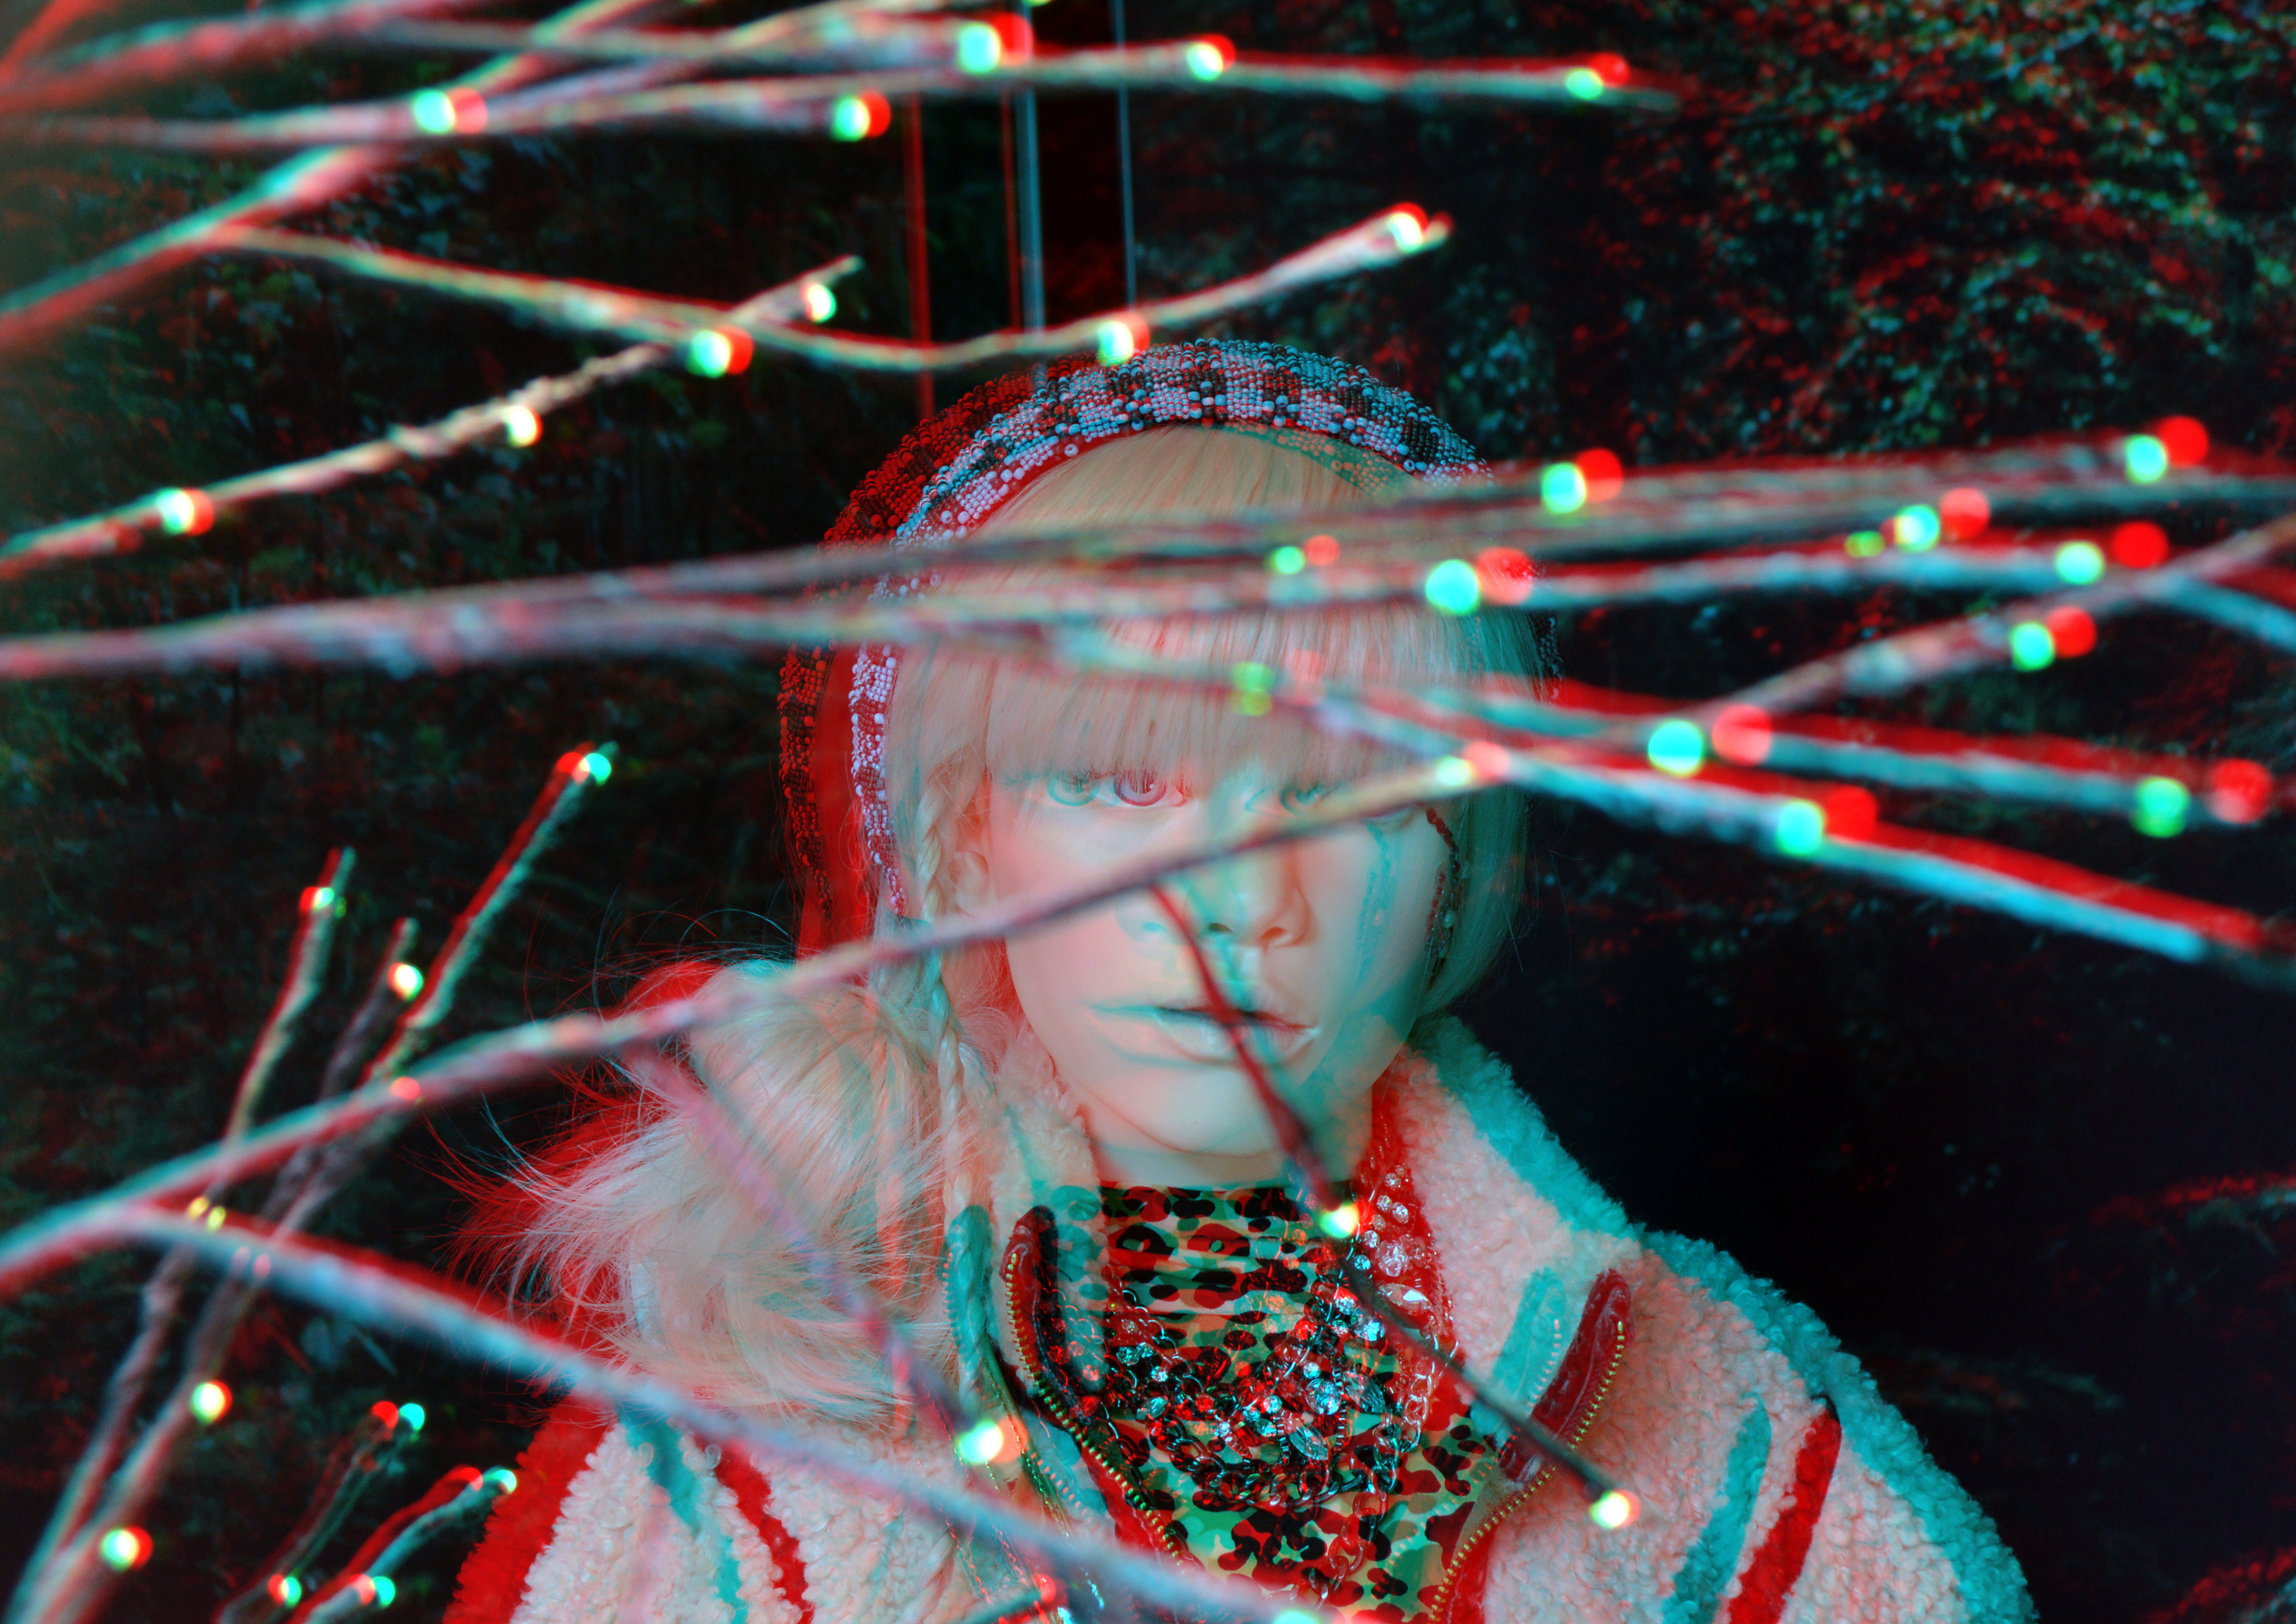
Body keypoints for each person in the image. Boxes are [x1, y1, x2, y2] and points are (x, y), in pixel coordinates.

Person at [446, 341, 2033, 1624]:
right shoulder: (761, 1427)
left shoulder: (1679, 1384)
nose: (1234, 903)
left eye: (1344, 799)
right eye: (1118, 779)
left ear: (1451, 874)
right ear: (957, 847)